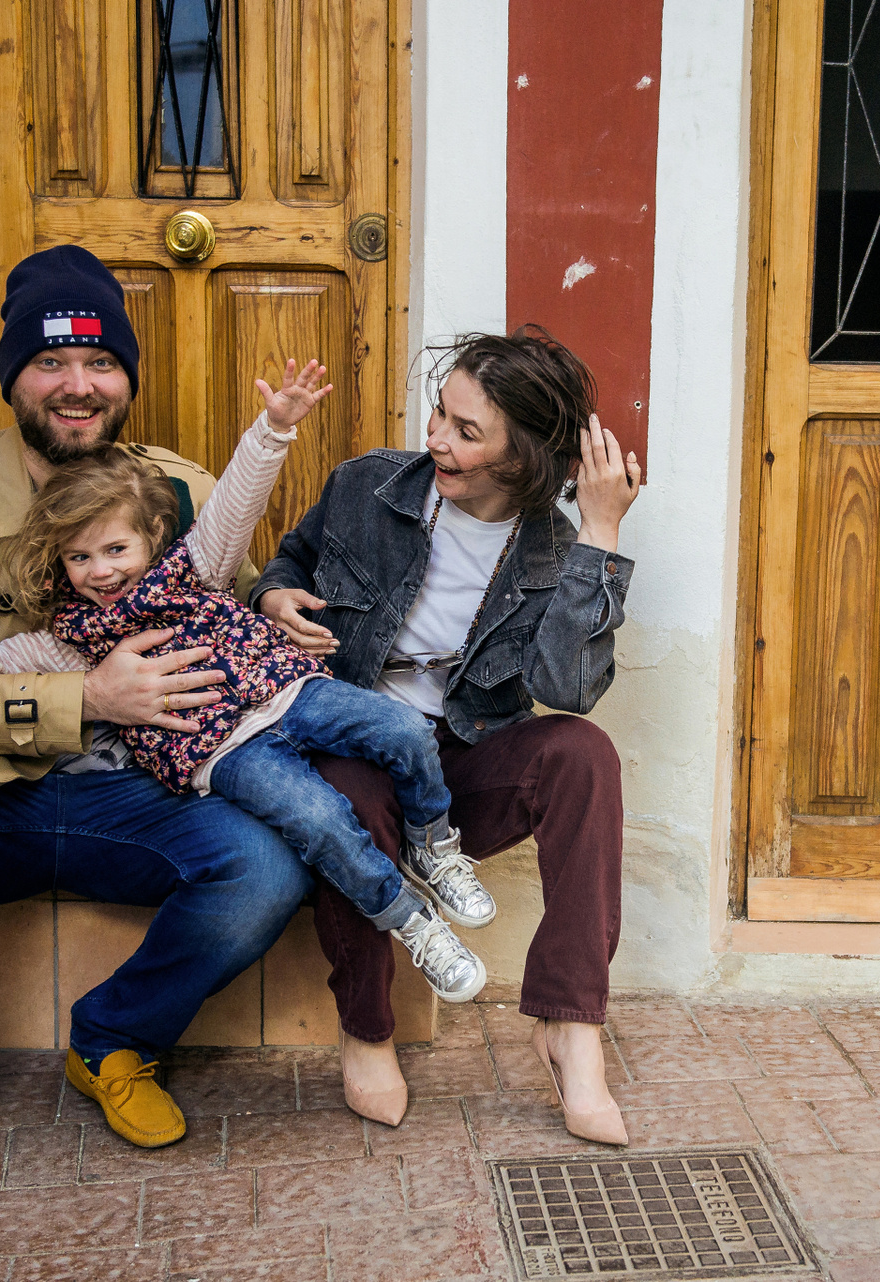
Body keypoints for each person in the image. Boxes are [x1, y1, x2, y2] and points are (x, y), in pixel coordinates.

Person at [0, 245, 313, 1190]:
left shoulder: (181, 488)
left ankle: (117, 1042)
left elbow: (232, 601)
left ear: (125, 378)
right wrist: (87, 699)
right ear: (14, 379)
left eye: (100, 361)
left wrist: (272, 599)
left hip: (141, 792)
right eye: (50, 362)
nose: (78, 385)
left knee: (268, 863)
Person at [0, 361, 494, 1004]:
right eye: (79, 558)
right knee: (320, 819)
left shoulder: (195, 567)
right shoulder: (72, 637)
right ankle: (410, 921)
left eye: (115, 550)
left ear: (152, 538)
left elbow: (237, 501)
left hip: (285, 692)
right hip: (222, 753)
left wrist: (274, 428)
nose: (100, 572)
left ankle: (433, 846)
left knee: (402, 729)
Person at [254, 328, 641, 1143]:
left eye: (467, 432)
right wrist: (275, 599)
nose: (436, 439)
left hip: (460, 762)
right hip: (354, 746)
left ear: (522, 458)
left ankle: (570, 1026)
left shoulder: (554, 552)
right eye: (440, 413)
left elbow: (568, 691)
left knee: (583, 757)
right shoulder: (366, 486)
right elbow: (288, 562)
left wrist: (601, 535)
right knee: (352, 796)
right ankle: (367, 1028)